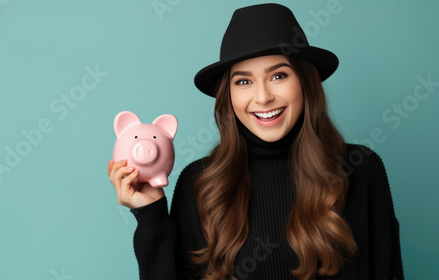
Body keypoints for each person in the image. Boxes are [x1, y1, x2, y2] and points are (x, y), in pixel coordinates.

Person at [108, 3, 404, 280]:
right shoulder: (199, 184)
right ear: (229, 96)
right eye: (244, 81)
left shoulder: (361, 169)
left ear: (305, 83)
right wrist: (151, 215)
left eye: (278, 76)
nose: (262, 97)